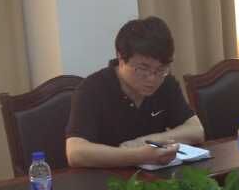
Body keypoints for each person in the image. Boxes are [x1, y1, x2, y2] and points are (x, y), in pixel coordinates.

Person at [66, 17, 204, 168]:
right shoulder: (92, 89)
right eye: (143, 69)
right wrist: (138, 155)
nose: (152, 78)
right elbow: (75, 152)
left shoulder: (166, 83)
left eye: (160, 69)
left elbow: (196, 130)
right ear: (121, 58)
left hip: (154, 176)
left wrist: (147, 141)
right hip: (105, 178)